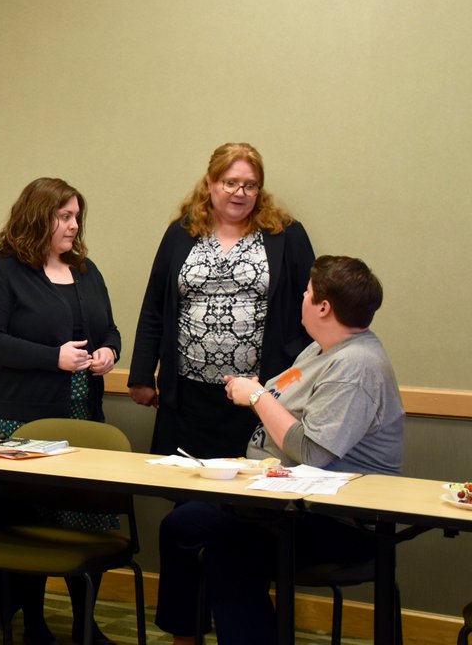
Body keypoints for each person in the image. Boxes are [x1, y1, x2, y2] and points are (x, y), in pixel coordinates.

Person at [155, 256, 404, 645]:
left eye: (307, 292)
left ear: (324, 306)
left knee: (229, 555)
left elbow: (312, 451)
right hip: (277, 501)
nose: (301, 297)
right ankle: (185, 639)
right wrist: (257, 394)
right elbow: (278, 399)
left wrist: (254, 395)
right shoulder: (318, 352)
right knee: (181, 525)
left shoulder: (357, 365)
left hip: (335, 520)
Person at [0, 177, 121, 644]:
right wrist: (52, 357)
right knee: (28, 526)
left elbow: (109, 328)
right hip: (21, 416)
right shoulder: (4, 272)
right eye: (65, 216)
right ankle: (32, 624)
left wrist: (109, 352)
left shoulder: (87, 271)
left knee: (83, 521)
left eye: (76, 216)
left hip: (83, 415)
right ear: (39, 217)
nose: (74, 225)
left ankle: (84, 624)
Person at [129, 142, 315, 460]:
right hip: (189, 395)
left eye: (250, 185)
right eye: (230, 182)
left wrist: (301, 377)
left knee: (251, 497)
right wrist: (142, 375)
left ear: (259, 190)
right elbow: (155, 307)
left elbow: (311, 308)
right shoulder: (181, 234)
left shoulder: (286, 235)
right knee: (188, 492)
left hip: (260, 394)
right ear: (211, 183)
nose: (239, 192)